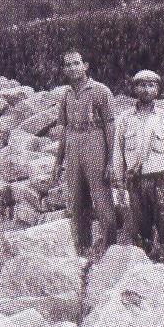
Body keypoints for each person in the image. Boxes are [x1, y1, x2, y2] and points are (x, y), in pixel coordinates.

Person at [50, 50, 118, 256]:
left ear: (85, 65)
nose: (72, 68)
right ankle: (83, 247)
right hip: (73, 144)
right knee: (77, 198)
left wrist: (112, 160)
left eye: (76, 63)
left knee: (101, 195)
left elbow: (110, 126)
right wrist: (58, 161)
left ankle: (109, 247)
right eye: (68, 65)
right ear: (64, 69)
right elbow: (64, 129)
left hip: (95, 140)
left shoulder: (100, 91)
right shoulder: (66, 95)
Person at [112, 70, 164, 257]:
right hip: (135, 179)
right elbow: (118, 152)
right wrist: (119, 183)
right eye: (142, 85)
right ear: (135, 88)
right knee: (140, 224)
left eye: (151, 85)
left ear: (158, 90)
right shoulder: (125, 119)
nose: (146, 89)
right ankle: (145, 260)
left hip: (161, 177)